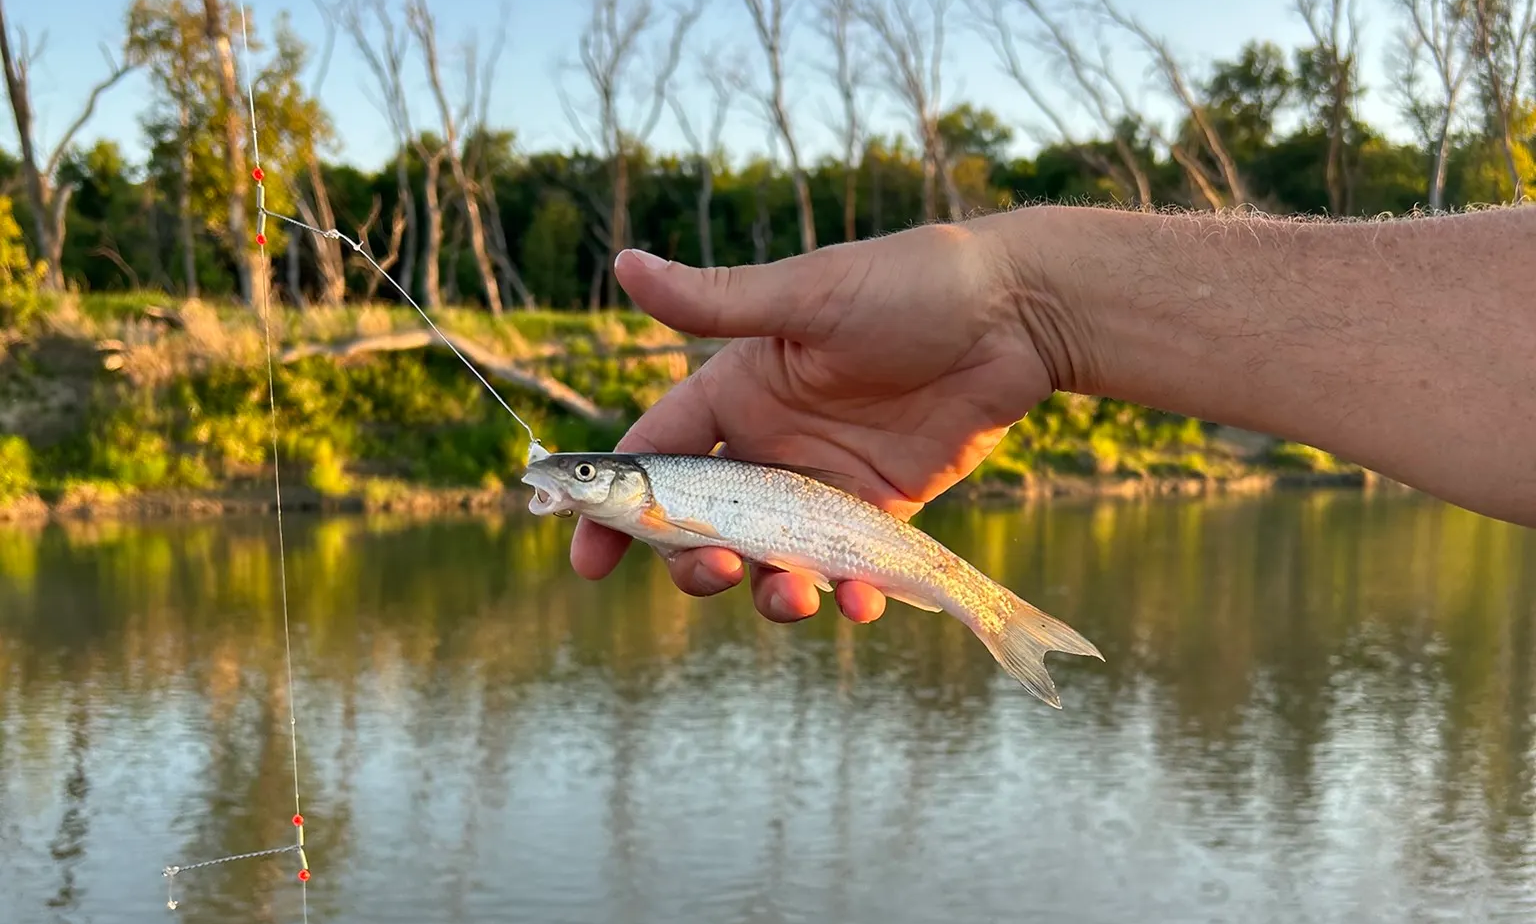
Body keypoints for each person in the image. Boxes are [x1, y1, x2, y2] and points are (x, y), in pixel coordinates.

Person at [569, 201, 1536, 625]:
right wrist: (1023, 304)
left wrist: (1024, 302)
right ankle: (989, 612)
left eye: (582, 475)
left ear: (619, 484)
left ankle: (996, 615)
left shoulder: (656, 488)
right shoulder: (658, 497)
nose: (574, 481)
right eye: (579, 477)